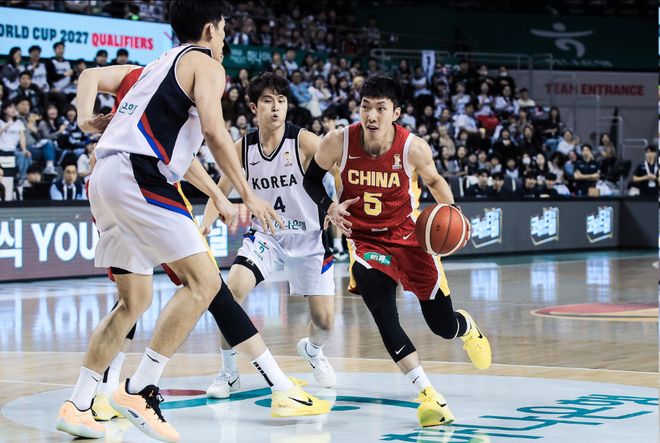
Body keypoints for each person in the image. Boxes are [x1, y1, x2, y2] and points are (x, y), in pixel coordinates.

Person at [55, 2, 326, 441]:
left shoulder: (156, 66)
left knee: (133, 301)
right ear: (210, 29)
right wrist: (247, 194)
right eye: (224, 29)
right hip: (140, 175)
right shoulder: (206, 64)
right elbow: (216, 134)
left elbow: (181, 155)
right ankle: (141, 388)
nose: (226, 38)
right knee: (205, 283)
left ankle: (78, 403)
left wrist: (219, 194)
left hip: (105, 178)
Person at [303, 75, 491, 427]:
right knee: (385, 316)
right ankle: (429, 395)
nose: (371, 116)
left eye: (380, 108)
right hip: (365, 242)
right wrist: (329, 206)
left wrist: (455, 215)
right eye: (365, 107)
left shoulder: (412, 148)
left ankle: (465, 328)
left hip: (411, 239)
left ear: (396, 113)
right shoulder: (338, 142)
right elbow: (310, 179)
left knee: (442, 326)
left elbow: (435, 181)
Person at [200, 72, 337, 399]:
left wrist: (337, 205)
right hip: (266, 238)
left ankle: (313, 349)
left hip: (309, 239)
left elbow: (338, 165)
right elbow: (220, 190)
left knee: (325, 322)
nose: (276, 107)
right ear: (253, 107)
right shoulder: (243, 148)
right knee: (230, 294)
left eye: (281, 101)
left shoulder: (302, 141)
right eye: (267, 101)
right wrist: (204, 226)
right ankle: (228, 373)